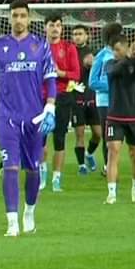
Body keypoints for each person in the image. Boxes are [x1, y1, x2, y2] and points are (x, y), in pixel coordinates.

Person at [0, 0, 57, 236]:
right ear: (10, 18)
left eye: (22, 15)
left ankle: (29, 211)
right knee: (10, 167)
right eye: (14, 15)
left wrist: (50, 107)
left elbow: (50, 79)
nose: (18, 20)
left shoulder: (40, 46)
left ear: (29, 18)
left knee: (32, 169)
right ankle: (11, 221)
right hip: (6, 116)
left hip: (33, 117)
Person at [104, 32, 135, 204]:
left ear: (125, 47)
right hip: (114, 116)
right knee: (113, 151)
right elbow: (116, 70)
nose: (115, 53)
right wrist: (129, 56)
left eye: (117, 49)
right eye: (114, 50)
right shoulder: (110, 64)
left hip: (134, 117)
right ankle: (112, 193)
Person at [43, 15, 81, 193]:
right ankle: (42, 176)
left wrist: (59, 73)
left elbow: (76, 74)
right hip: (41, 97)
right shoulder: (37, 48)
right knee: (39, 139)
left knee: (59, 138)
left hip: (63, 96)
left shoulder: (69, 48)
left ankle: (56, 179)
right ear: (45, 28)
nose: (55, 28)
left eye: (58, 25)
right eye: (52, 25)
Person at [88, 22, 123, 176]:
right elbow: (92, 82)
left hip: (120, 101)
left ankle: (111, 165)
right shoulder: (101, 56)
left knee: (118, 138)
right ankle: (107, 167)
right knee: (108, 136)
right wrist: (114, 85)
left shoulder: (120, 54)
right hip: (105, 103)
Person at [71, 26, 101, 175]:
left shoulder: (93, 53)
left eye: (80, 34)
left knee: (98, 133)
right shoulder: (70, 53)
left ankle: (89, 153)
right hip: (76, 98)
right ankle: (81, 165)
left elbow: (100, 72)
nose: (77, 37)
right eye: (75, 34)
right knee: (80, 133)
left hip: (92, 97)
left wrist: (94, 64)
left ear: (86, 36)